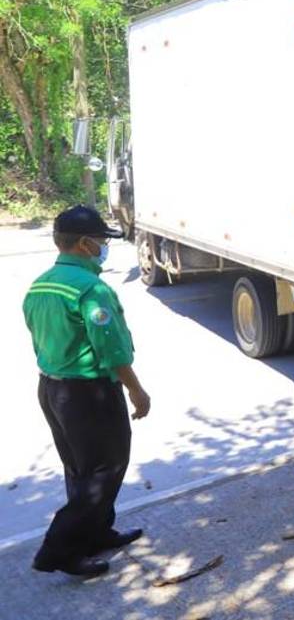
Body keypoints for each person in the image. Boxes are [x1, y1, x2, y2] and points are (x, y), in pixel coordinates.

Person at [25, 206, 149, 578]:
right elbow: (111, 351)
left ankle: (96, 534)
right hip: (88, 394)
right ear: (83, 244)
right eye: (100, 241)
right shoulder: (91, 289)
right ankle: (58, 551)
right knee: (104, 471)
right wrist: (137, 392)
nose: (103, 247)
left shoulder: (41, 284)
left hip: (52, 390)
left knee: (80, 469)